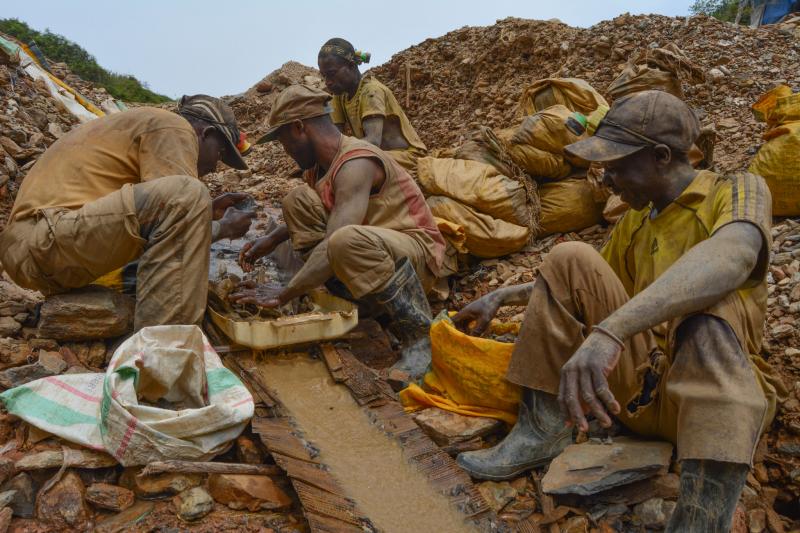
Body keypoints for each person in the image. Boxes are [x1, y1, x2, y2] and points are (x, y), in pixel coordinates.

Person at [452, 91, 784, 532]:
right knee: (569, 256)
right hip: (637, 396)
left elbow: (734, 256)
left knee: (707, 314)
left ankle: (701, 517)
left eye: (617, 164)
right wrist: (503, 296)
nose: (606, 179)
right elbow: (584, 283)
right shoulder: (636, 220)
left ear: (662, 156)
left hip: (712, 408)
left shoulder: (736, 189)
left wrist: (610, 332)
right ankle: (542, 432)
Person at [232, 84, 446, 379]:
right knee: (297, 201)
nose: (286, 153)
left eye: (284, 143)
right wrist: (270, 239)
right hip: (373, 250)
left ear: (299, 128)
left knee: (344, 240)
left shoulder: (356, 162)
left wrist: (286, 292)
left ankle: (421, 339)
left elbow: (337, 237)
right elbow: (331, 212)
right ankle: (358, 305)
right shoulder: (319, 168)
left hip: (415, 257)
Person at [0, 95, 255, 330]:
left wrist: (208, 211)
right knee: (189, 193)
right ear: (205, 132)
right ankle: (164, 350)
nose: (214, 166)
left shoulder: (140, 123)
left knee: (188, 199)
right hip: (44, 240)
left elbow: (160, 225)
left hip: (36, 245)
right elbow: (180, 208)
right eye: (220, 153)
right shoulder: (175, 126)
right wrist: (224, 228)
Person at [317, 38, 427, 172]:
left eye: (332, 74)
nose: (328, 82)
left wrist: (340, 154)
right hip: (376, 155)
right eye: (324, 76)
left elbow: (374, 141)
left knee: (352, 167)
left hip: (406, 157)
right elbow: (335, 137)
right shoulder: (339, 96)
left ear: (351, 66)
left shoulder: (371, 91)